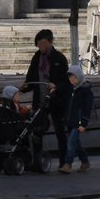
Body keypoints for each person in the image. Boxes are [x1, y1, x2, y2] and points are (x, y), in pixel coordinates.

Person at [24, 29, 71, 169]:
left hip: (56, 100)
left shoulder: (59, 58)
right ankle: (37, 161)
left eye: (43, 43)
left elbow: (66, 82)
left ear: (50, 42)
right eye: (38, 44)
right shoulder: (36, 57)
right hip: (40, 100)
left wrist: (55, 85)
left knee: (60, 132)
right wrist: (25, 87)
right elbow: (31, 77)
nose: (41, 47)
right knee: (37, 130)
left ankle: (64, 162)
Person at [58, 64, 94, 173]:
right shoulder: (71, 90)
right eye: (70, 77)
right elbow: (67, 106)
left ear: (78, 77)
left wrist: (83, 123)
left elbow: (87, 108)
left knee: (70, 143)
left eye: (73, 77)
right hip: (70, 121)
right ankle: (85, 161)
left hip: (78, 122)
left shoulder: (85, 91)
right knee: (75, 143)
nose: (71, 80)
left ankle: (68, 164)